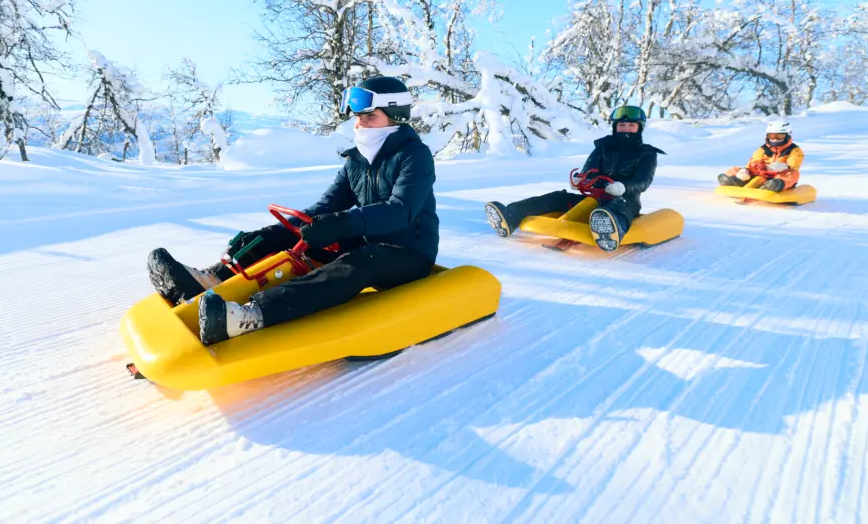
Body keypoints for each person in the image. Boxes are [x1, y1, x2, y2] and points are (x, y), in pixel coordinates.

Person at [146, 76, 439, 346]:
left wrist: (342, 224)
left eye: (369, 117)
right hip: (366, 239)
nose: (359, 124)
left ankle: (252, 315)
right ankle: (213, 280)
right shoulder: (357, 160)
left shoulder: (414, 156)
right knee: (289, 235)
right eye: (358, 117)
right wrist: (289, 229)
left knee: (358, 261)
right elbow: (327, 205)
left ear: (395, 118)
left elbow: (400, 211)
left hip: (408, 253)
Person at [484, 105, 664, 252]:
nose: (626, 130)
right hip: (593, 197)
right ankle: (511, 215)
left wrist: (623, 187)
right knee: (558, 197)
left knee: (619, 206)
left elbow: (643, 180)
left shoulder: (647, 153)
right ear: (615, 127)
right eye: (622, 126)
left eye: (631, 126)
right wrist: (581, 179)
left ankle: (610, 229)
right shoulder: (603, 148)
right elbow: (590, 170)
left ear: (639, 128)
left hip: (626, 199)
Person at [718, 121, 803, 192]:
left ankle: (774, 185)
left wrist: (769, 167)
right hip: (759, 174)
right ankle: (734, 181)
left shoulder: (794, 150)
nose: (775, 139)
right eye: (772, 136)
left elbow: (793, 166)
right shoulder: (763, 149)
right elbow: (754, 160)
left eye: (779, 136)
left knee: (793, 174)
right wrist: (749, 169)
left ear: (787, 136)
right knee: (736, 169)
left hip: (777, 176)